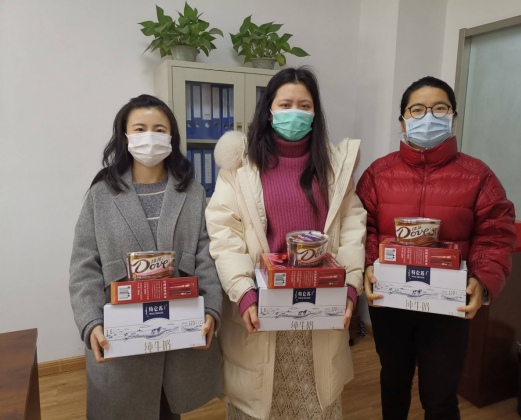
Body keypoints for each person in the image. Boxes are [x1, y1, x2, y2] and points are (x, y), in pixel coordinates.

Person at [205, 67, 366, 420]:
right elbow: (224, 234)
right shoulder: (241, 166)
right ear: (269, 110)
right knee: (258, 401)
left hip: (320, 306)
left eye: (304, 105)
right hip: (261, 306)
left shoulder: (335, 167)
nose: (295, 112)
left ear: (315, 112)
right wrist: (243, 291)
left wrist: (351, 287)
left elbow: (353, 229)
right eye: (285, 104)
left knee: (316, 402)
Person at [356, 76, 517, 420]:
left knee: (441, 395)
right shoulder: (378, 173)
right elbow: (362, 226)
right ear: (403, 120)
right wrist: (369, 264)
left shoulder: (478, 176)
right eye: (417, 110)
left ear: (452, 117)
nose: (428, 117)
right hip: (391, 299)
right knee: (393, 381)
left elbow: (495, 234)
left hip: (448, 304)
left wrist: (483, 279)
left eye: (439, 108)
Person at [69, 94, 223, 420]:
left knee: (168, 411)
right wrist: (91, 322)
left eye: (159, 129)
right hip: (120, 343)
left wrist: (211, 309)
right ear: (125, 136)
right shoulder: (101, 195)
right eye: (139, 129)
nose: (149, 137)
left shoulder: (193, 193)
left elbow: (207, 257)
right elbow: (84, 266)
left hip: (179, 339)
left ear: (172, 137)